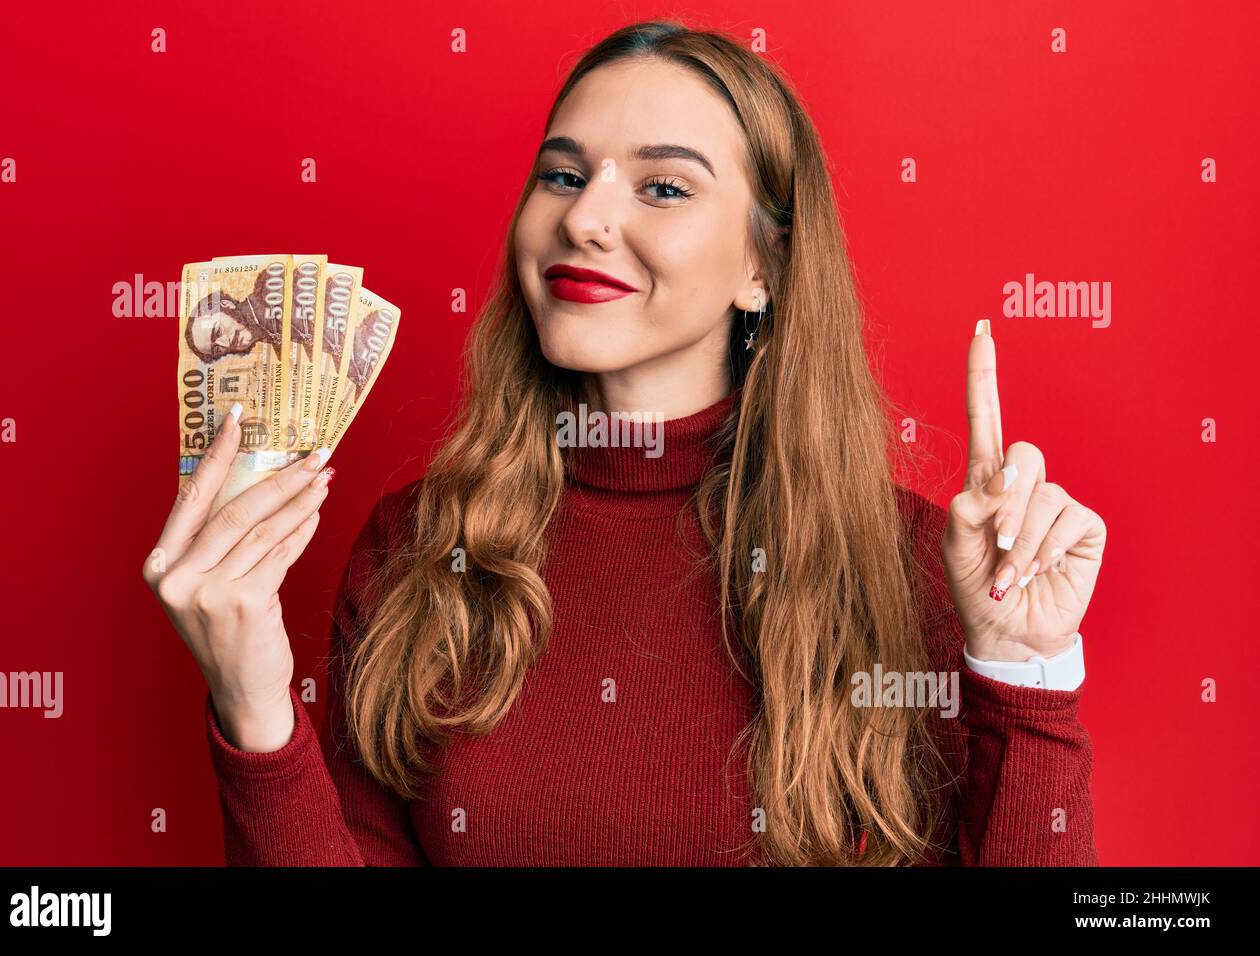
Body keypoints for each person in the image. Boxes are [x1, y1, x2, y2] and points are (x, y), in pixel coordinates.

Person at [143, 20, 1106, 866]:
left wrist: (1024, 673)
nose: (585, 216)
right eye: (563, 175)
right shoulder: (419, 549)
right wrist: (257, 708)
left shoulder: (914, 568)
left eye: (663, 186)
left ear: (763, 268)